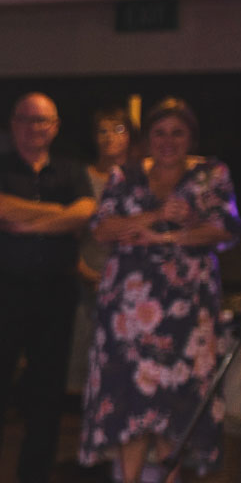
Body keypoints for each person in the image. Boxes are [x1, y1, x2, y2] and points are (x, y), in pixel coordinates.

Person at [78, 99, 239, 483]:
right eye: (160, 132)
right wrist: (153, 217)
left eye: (177, 133)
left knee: (174, 400)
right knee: (133, 397)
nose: (168, 141)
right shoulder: (124, 176)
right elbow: (102, 227)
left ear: (191, 138)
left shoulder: (210, 175)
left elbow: (225, 229)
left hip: (184, 305)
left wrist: (171, 236)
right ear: (148, 137)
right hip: (128, 305)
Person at [0, 93, 97, 483]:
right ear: (14, 124)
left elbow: (87, 213)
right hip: (2, 287)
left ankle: (35, 475)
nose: (34, 128)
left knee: (46, 386)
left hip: (54, 290)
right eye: (26, 120)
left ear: (55, 127)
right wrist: (58, 217)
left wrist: (30, 222)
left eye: (43, 121)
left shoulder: (71, 170)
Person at [69, 107, 137, 395]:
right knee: (84, 364)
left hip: (128, 283)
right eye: (103, 131)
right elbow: (71, 232)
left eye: (118, 130)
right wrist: (84, 272)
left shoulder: (140, 177)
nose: (110, 137)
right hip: (87, 278)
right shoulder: (82, 178)